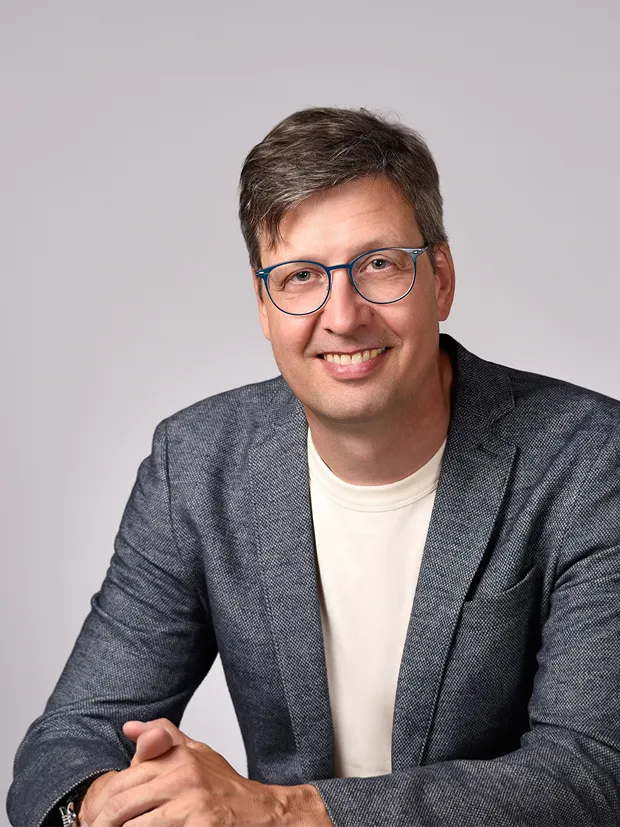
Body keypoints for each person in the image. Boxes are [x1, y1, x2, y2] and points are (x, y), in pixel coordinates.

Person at [7, 106, 620, 827]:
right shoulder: (198, 465)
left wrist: (286, 811)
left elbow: (589, 771)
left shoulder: (588, 459)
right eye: (300, 276)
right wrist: (102, 804)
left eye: (379, 265)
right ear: (265, 307)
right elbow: (65, 742)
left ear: (442, 278)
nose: (343, 314)